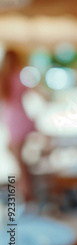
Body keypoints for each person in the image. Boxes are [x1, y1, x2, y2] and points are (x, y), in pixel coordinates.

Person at [0, 48, 36, 201]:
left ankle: (25, 193)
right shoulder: (17, 76)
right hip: (20, 120)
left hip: (12, 121)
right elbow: (33, 91)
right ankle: (26, 192)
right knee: (20, 162)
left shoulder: (4, 77)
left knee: (19, 160)